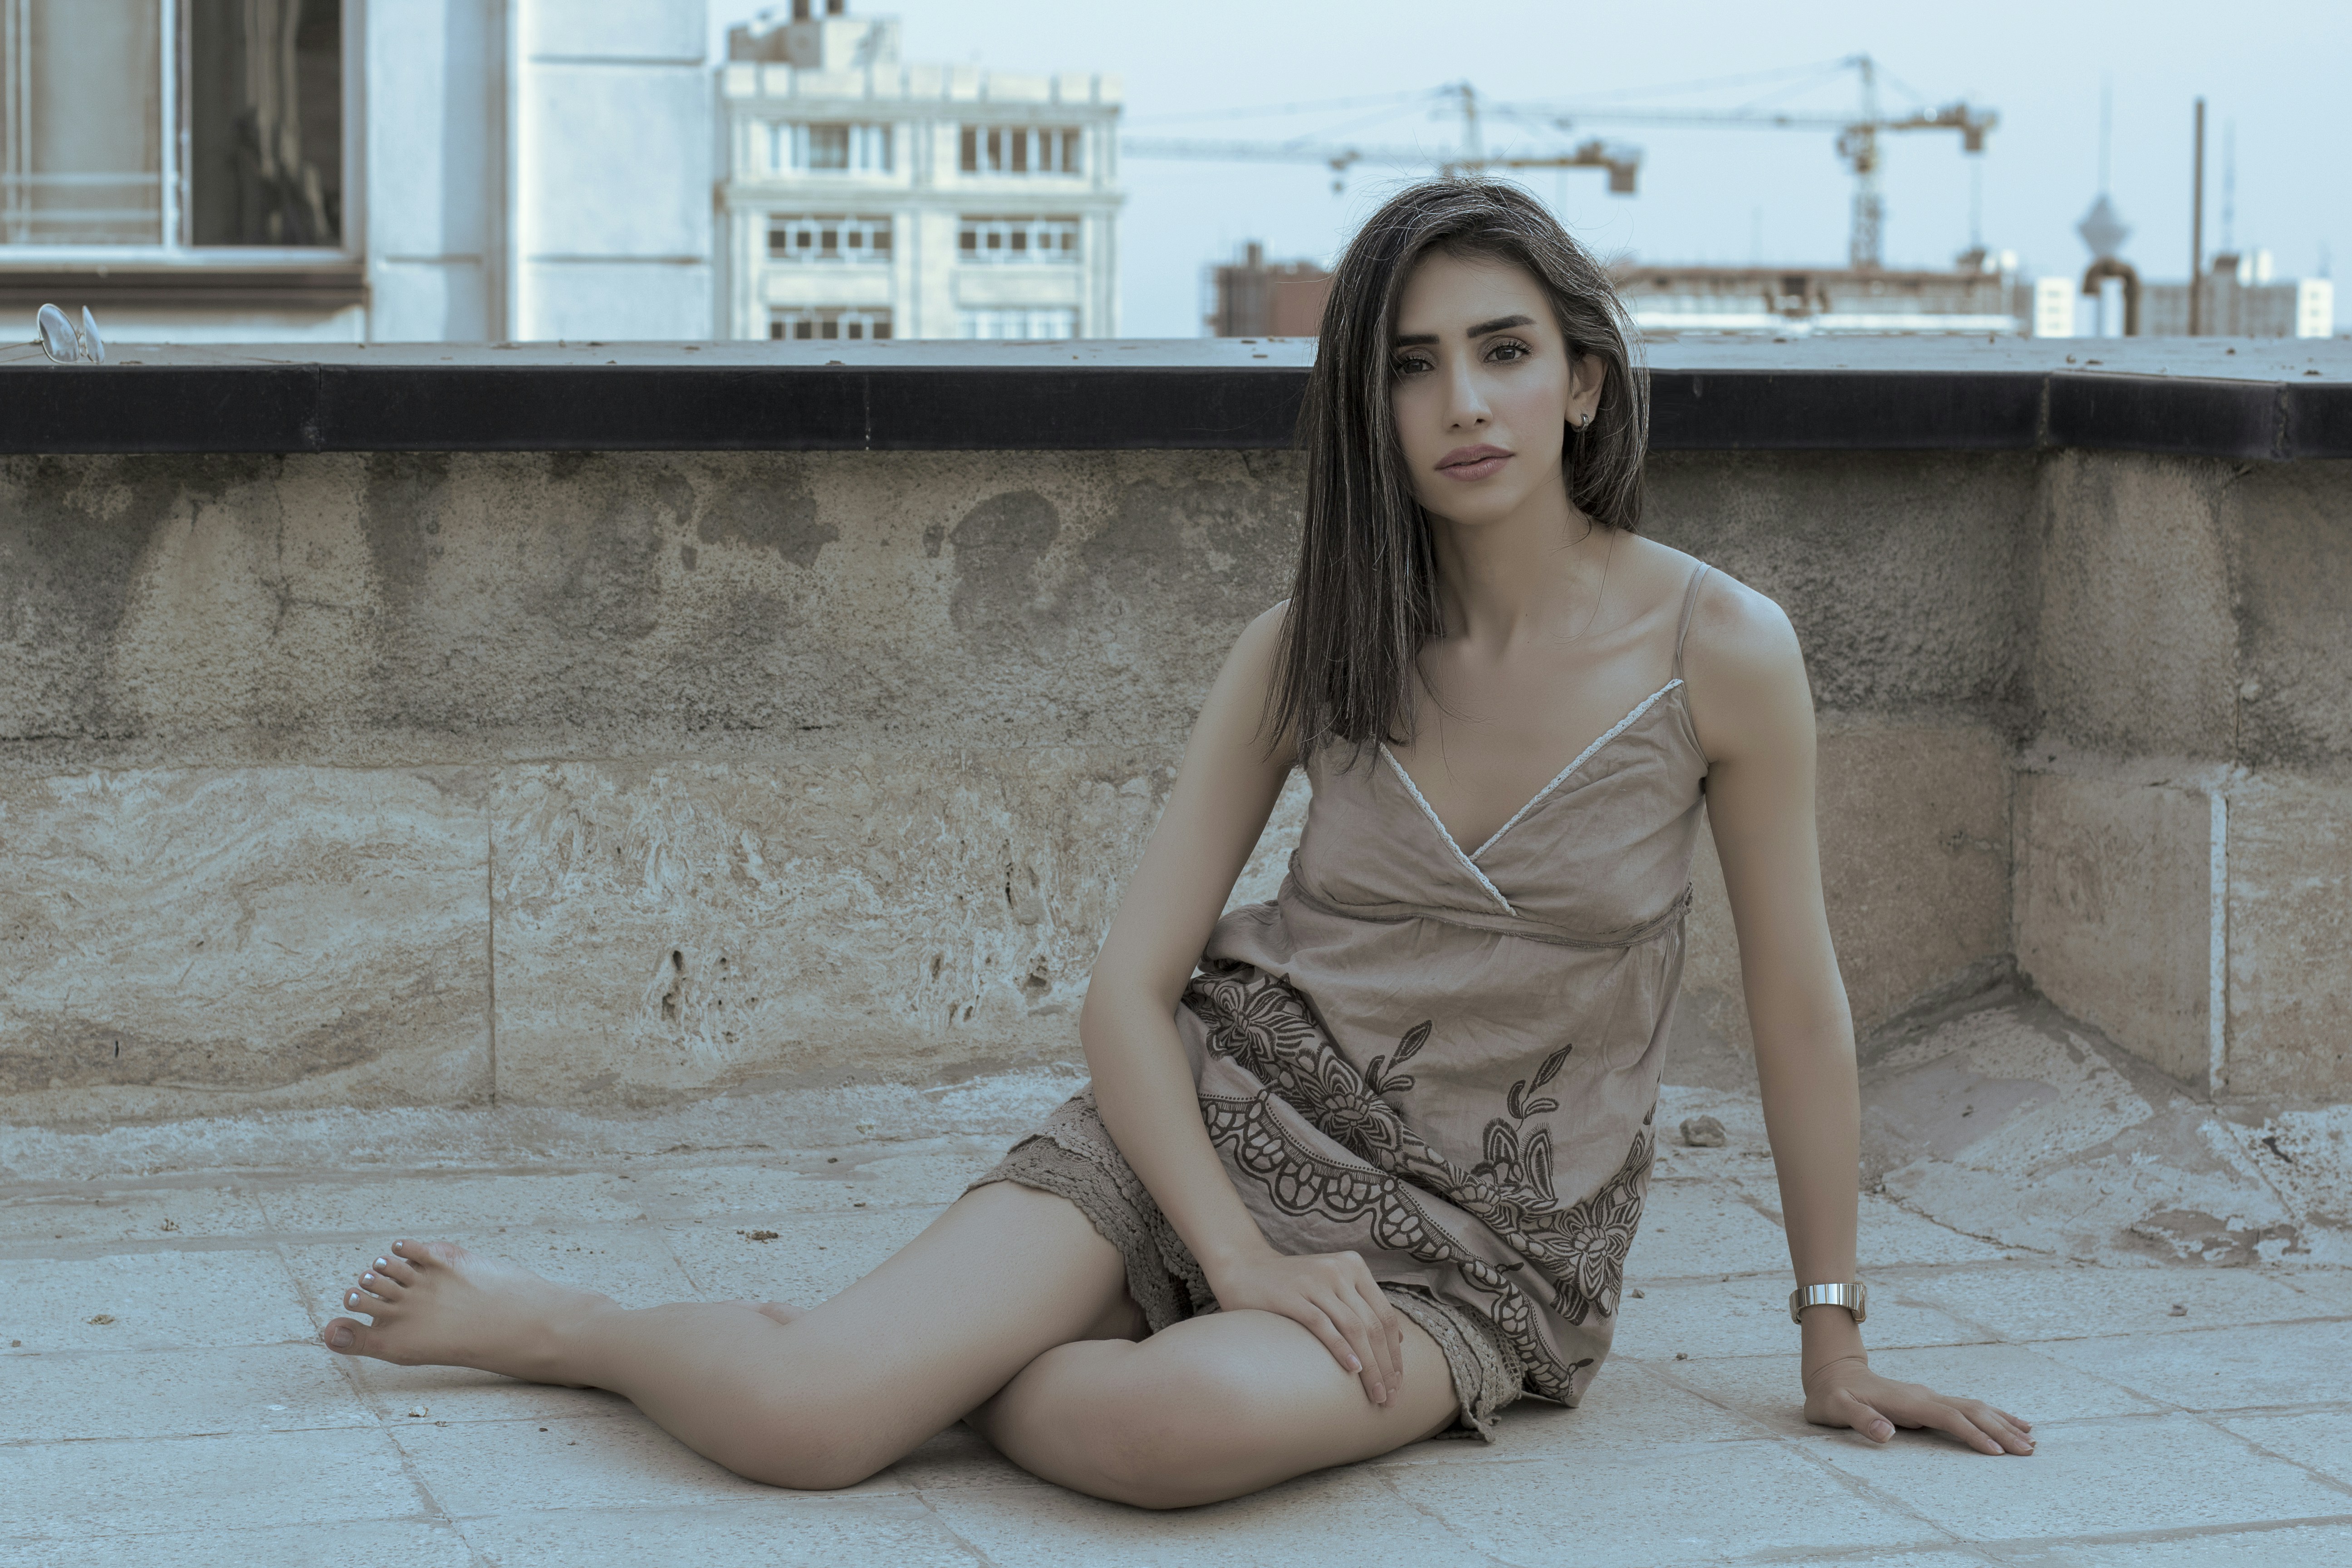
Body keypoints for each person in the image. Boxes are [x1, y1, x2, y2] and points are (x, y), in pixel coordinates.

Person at [320, 179, 2033, 1509]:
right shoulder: (1310, 645)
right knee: (806, 1424)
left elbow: (1800, 1006)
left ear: (1584, 380)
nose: (1464, 401)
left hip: (1476, 1250)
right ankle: (573, 1326)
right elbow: (1130, 995)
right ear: (1369, 407)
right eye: (1412, 364)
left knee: (1153, 1440)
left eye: (1505, 351)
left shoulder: (1720, 650)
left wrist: (1832, 1335)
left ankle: (963, 1358)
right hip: (1211, 1130)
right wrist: (1236, 1255)